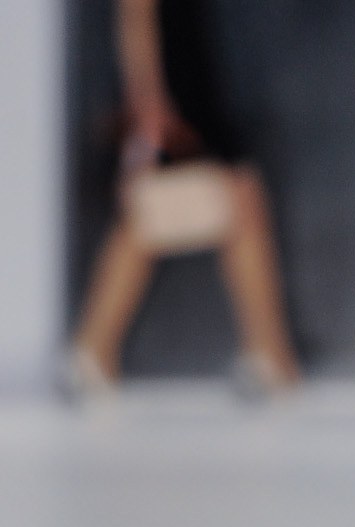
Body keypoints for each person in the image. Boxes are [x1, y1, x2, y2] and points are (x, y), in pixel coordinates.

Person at [65, 0, 299, 396]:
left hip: (187, 79)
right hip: (173, 90)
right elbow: (135, 15)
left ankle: (269, 352)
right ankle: (269, 354)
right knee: (209, 204)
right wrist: (149, 105)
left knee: (222, 205)